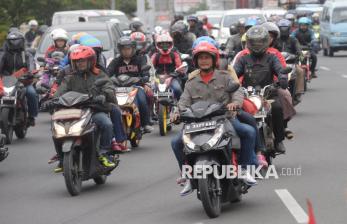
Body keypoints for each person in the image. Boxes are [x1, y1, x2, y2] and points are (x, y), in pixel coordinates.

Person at [171, 42, 258, 196]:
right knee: (176, 142)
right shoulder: (191, 82)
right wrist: (176, 113)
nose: (204, 61)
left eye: (207, 58)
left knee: (249, 132)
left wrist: (235, 104)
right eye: (200, 58)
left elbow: (237, 92)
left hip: (224, 118)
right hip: (197, 123)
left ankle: (244, 169)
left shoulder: (224, 77)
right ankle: (188, 176)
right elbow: (183, 102)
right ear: (196, 61)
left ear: (214, 59)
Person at [53, 46, 117, 172]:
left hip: (93, 110)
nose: (79, 63)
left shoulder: (99, 74)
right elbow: (59, 92)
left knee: (107, 124)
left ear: (90, 61)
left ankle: (104, 153)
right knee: (55, 128)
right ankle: (62, 159)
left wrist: (103, 95)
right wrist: (51, 101)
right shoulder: (70, 77)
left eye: (82, 61)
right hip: (73, 112)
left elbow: (109, 88)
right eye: (77, 61)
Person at [233, 25, 289, 154]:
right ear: (248, 42)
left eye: (260, 42)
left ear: (266, 42)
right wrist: (229, 82)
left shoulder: (272, 57)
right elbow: (234, 74)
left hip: (268, 94)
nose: (257, 45)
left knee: (277, 108)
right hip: (248, 96)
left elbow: (280, 69)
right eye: (254, 42)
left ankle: (279, 140)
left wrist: (282, 77)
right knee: (237, 114)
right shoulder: (243, 59)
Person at [107, 36, 153, 133]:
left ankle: (145, 123)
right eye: (123, 49)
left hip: (136, 86)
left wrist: (145, 79)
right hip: (119, 87)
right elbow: (108, 73)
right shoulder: (115, 61)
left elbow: (145, 71)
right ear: (120, 50)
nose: (126, 51)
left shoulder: (140, 59)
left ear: (133, 49)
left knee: (142, 100)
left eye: (128, 49)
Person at [0, 31, 38, 126]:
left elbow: (31, 65)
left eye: (16, 40)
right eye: (11, 41)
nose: (14, 43)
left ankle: (31, 116)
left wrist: (30, 73)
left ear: (21, 41)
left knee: (31, 93)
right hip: (6, 81)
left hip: (23, 81)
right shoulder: (3, 54)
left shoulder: (26, 54)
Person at [277, 19, 305, 105]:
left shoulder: (293, 39)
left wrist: (300, 55)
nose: (283, 31)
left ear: (289, 29)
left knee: (300, 71)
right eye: (282, 28)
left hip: (291, 63)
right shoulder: (275, 40)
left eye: (285, 29)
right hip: (277, 63)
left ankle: (298, 93)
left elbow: (298, 49)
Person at [151, 33, 183, 100]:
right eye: (162, 44)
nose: (164, 46)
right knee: (150, 92)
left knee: (178, 89)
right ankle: (151, 108)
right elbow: (150, 67)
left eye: (167, 43)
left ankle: (179, 106)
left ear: (171, 44)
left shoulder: (175, 55)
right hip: (157, 78)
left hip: (172, 77)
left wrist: (175, 73)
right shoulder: (155, 55)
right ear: (157, 45)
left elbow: (179, 67)